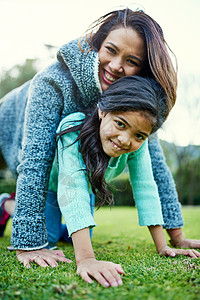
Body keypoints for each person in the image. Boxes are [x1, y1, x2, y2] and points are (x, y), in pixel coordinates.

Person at [0, 8, 199, 265]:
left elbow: (154, 172)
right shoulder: (53, 82)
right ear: (98, 45)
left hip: (74, 169)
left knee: (74, 231)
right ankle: (7, 205)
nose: (116, 66)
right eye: (111, 50)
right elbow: (34, 163)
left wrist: (177, 236)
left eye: (132, 61)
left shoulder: (133, 109)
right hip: (12, 120)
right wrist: (28, 244)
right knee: (42, 234)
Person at [17, 76, 200, 288]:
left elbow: (146, 187)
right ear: (103, 111)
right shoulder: (73, 126)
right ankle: (9, 205)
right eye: (120, 124)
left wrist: (162, 246)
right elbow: (72, 188)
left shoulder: (137, 145)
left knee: (72, 236)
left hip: (86, 191)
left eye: (139, 135)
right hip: (53, 188)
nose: (125, 139)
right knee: (48, 238)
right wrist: (86, 259)